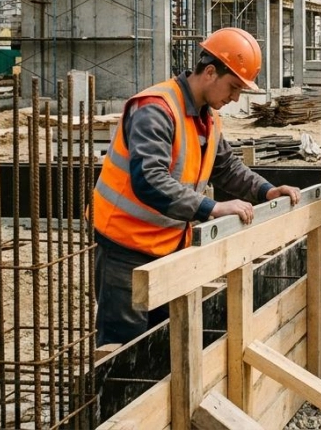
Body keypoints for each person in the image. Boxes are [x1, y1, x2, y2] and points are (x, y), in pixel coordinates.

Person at [91, 27, 301, 346]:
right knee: (125, 349)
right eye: (233, 87)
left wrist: (266, 191)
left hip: (169, 246)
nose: (235, 98)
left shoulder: (208, 118)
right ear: (210, 72)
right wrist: (211, 208)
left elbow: (226, 167)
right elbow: (150, 180)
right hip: (126, 249)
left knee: (163, 344)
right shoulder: (156, 109)